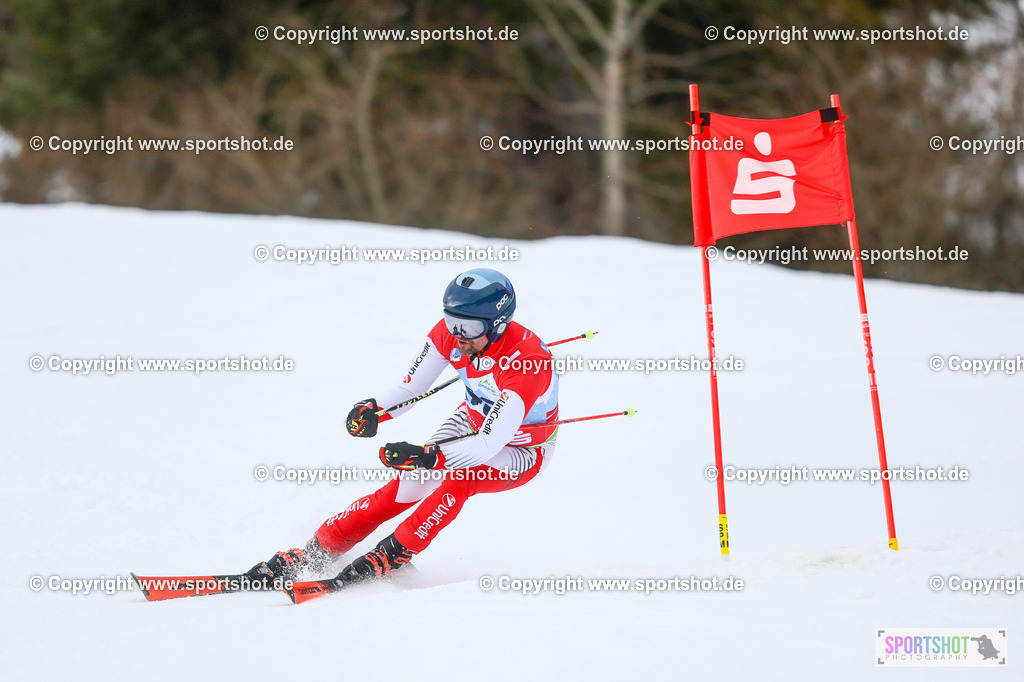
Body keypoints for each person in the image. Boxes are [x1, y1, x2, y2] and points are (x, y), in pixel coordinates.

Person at [246, 268, 559, 589]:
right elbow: (412, 388)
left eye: (468, 326)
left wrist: (429, 456)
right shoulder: (453, 334)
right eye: (452, 321)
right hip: (472, 422)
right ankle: (317, 552)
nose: (458, 334)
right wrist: (374, 409)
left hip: (523, 449)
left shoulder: (528, 363)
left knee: (461, 479)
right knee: (409, 483)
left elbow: (488, 445)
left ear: (498, 324)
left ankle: (393, 556)